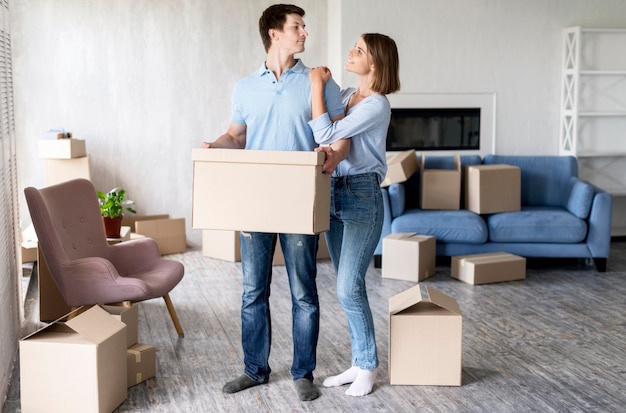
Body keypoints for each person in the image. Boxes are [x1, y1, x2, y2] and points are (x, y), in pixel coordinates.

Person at [201, 4, 345, 401]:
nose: (304, 33)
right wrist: (215, 145)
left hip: (300, 201)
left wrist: (334, 153)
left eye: (303, 26)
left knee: (303, 290)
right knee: (252, 291)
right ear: (274, 34)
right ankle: (254, 369)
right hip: (256, 200)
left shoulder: (317, 82)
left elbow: (337, 132)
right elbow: (236, 135)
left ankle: (303, 373)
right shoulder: (245, 86)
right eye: (297, 27)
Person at [308, 33, 401, 396]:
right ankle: (358, 360)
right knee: (346, 288)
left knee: (349, 286)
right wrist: (326, 90)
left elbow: (327, 131)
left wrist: (317, 84)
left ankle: (368, 366)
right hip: (332, 193)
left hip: (363, 196)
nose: (351, 52)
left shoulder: (377, 105)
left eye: (359, 50)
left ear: (375, 63)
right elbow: (325, 134)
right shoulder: (348, 95)